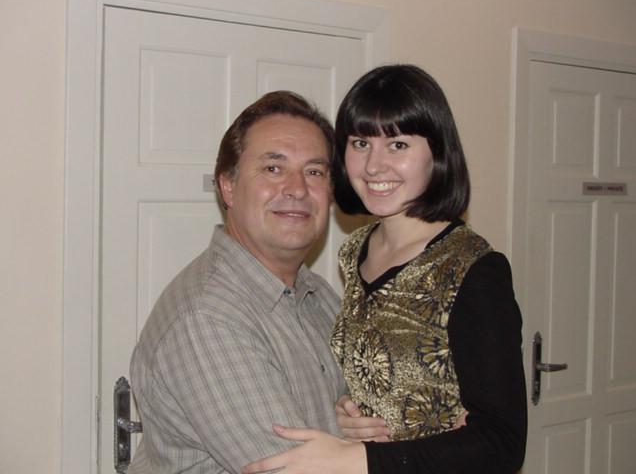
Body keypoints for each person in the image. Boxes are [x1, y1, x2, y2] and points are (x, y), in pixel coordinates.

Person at [243, 64, 527, 474]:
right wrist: (348, 413)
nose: (374, 166)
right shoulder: (356, 251)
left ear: (437, 153)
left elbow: (503, 442)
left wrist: (360, 458)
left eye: (397, 145)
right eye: (361, 143)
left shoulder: (472, 270)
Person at [128, 91, 347, 474]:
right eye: (273, 168)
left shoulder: (317, 295)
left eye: (315, 172)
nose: (297, 188)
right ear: (228, 186)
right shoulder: (210, 318)